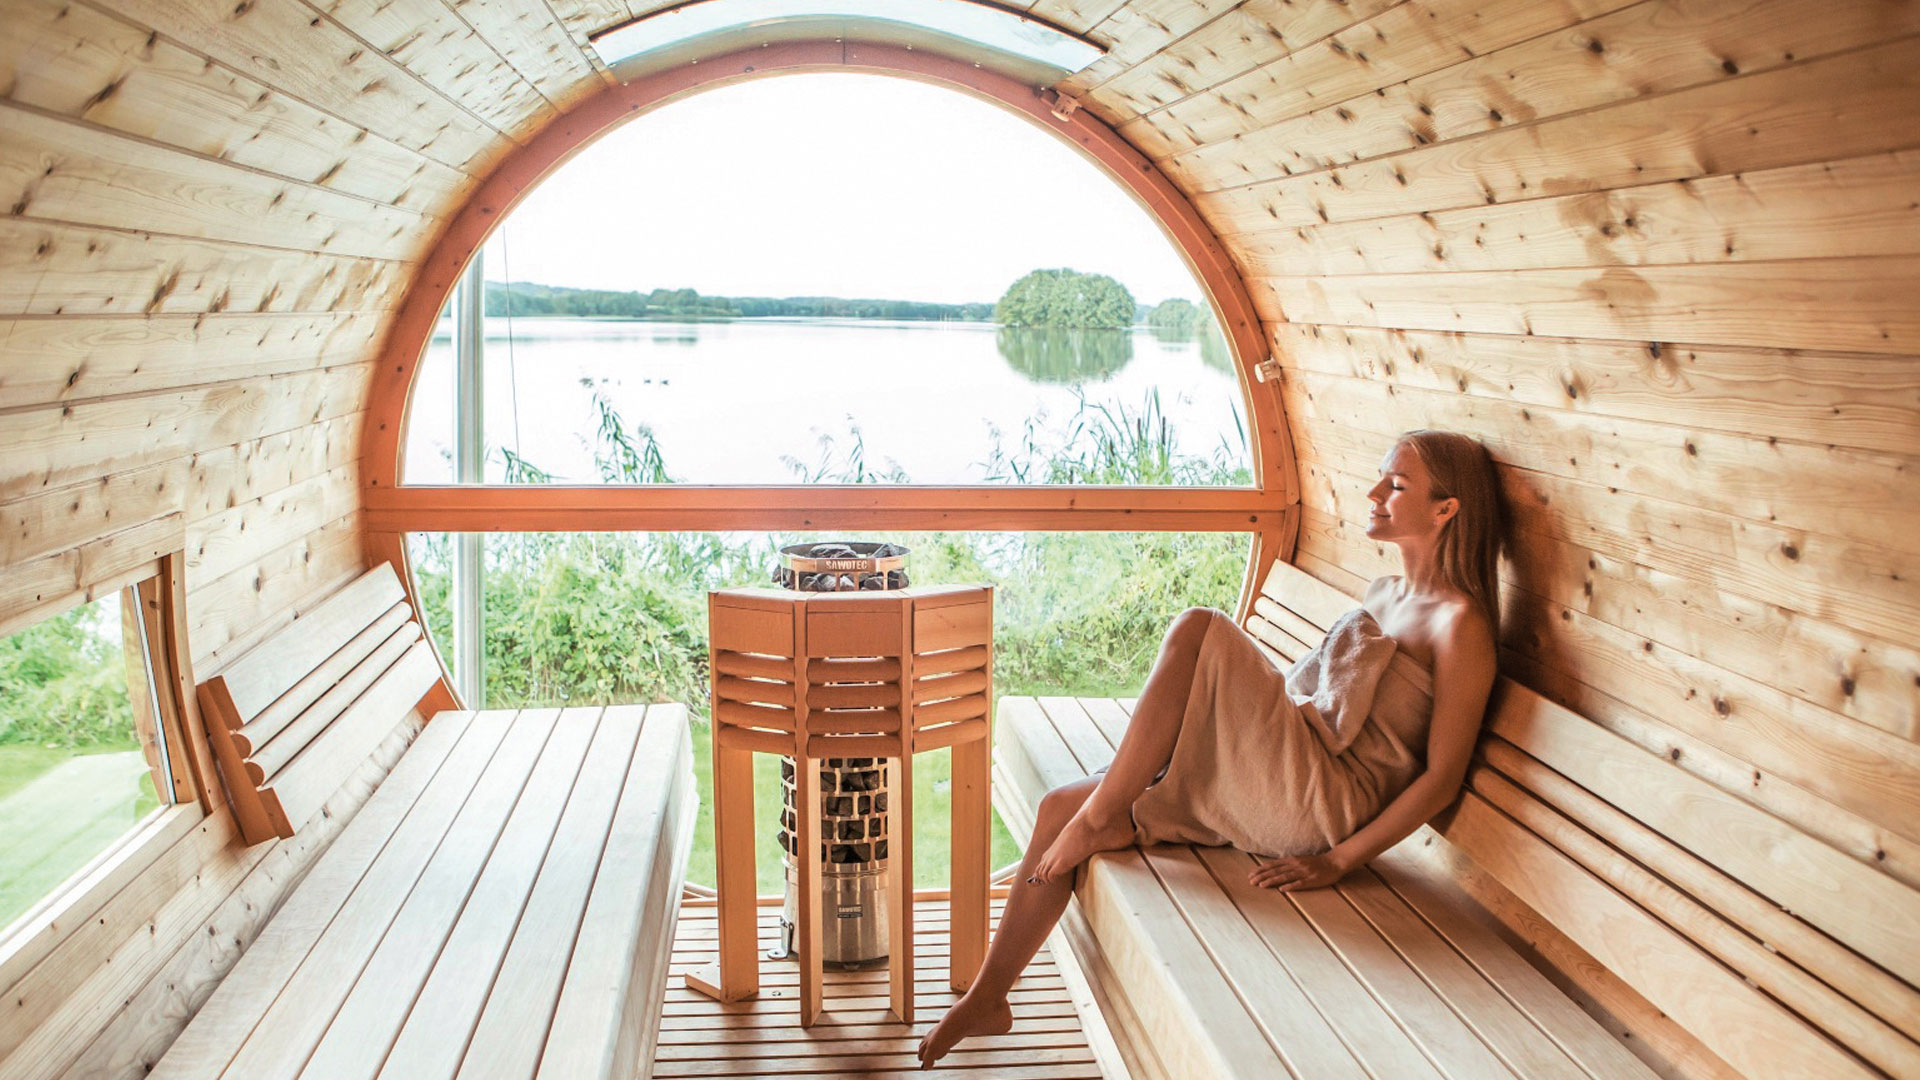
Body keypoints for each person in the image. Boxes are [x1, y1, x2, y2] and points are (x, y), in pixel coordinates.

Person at [917, 430, 1504, 1068]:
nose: (1374, 493)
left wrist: (1338, 861)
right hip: (1291, 770)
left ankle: (1103, 815)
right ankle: (990, 995)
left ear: (1446, 509)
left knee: (1200, 626)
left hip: (1324, 805)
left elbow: (1443, 777)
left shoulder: (1461, 625)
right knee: (1061, 806)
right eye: (1381, 477)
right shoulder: (1384, 592)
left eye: (1397, 485)